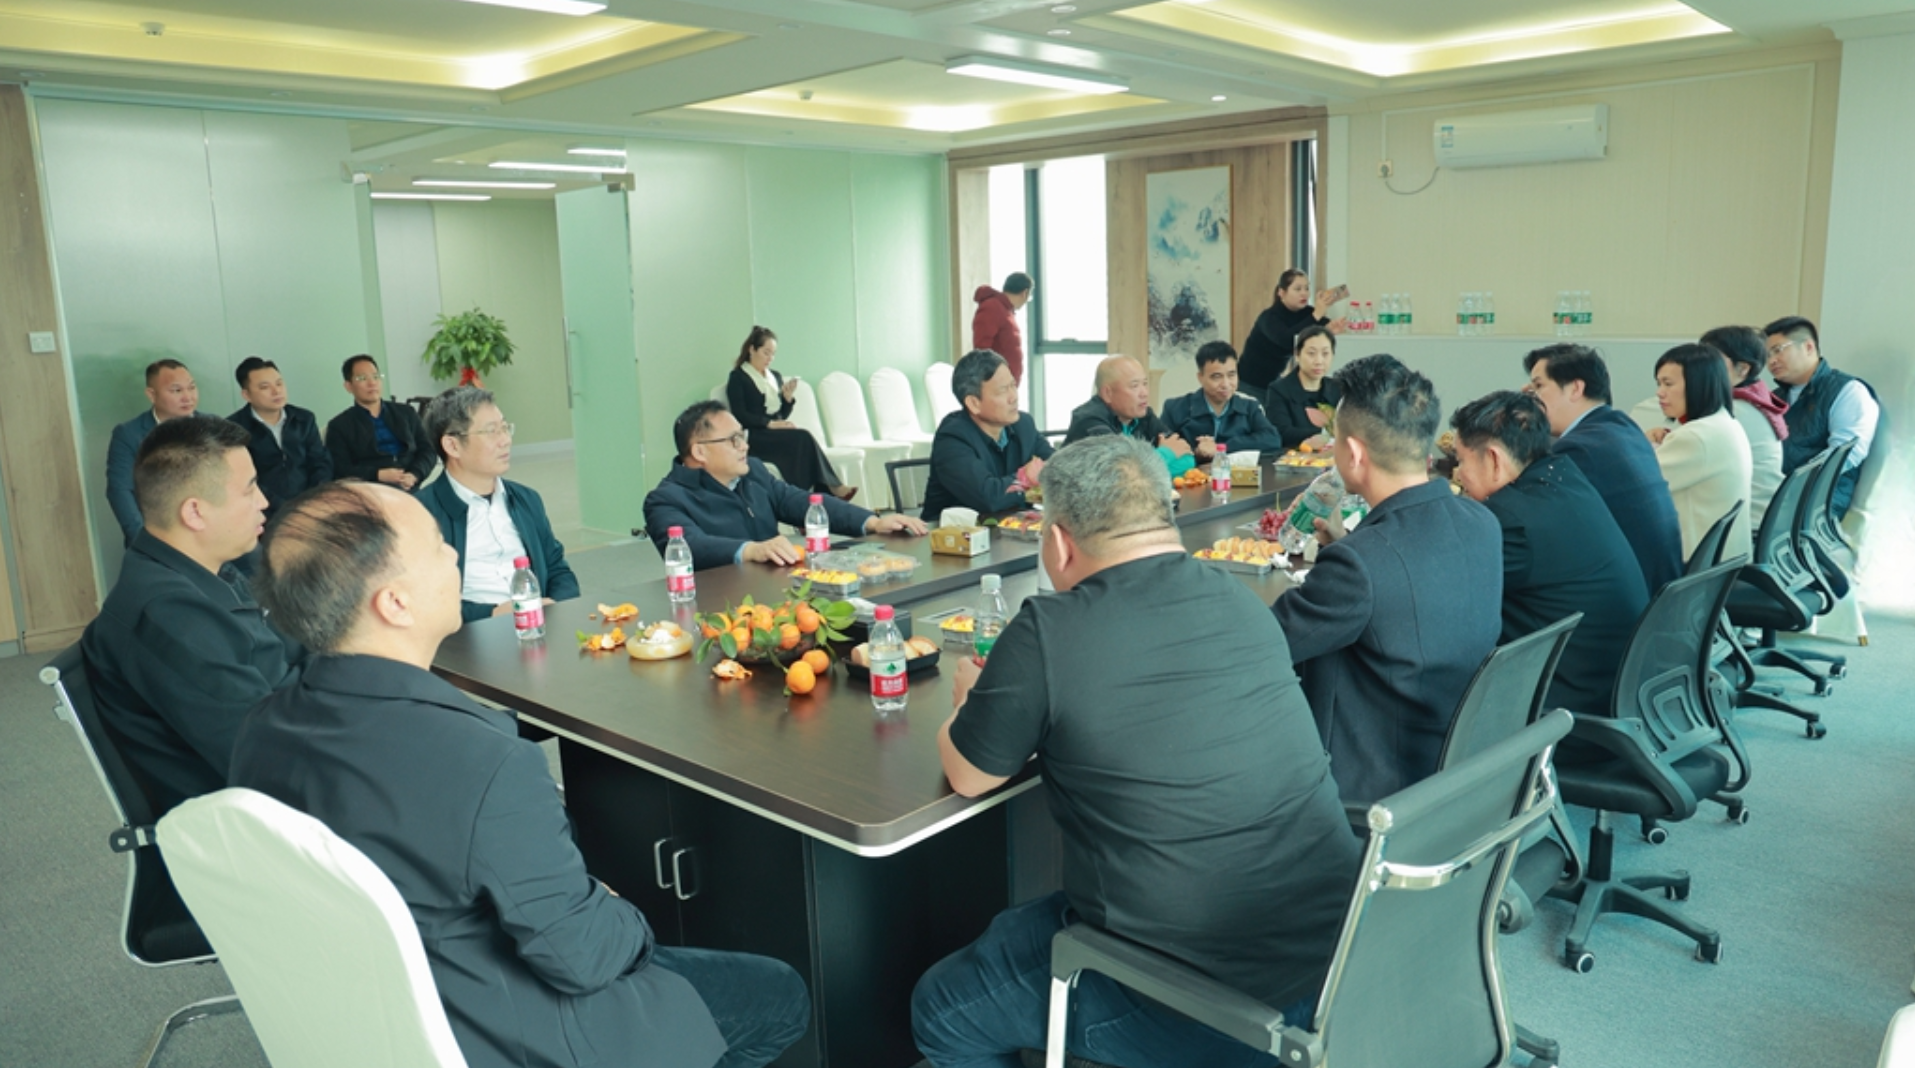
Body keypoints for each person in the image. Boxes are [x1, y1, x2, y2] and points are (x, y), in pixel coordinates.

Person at [230, 480, 811, 1068]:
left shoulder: (262, 728)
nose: (453, 554)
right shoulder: (483, 758)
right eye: (436, 544)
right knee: (778, 992)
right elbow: (585, 958)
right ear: (395, 603)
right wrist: (616, 908)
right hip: (508, 1031)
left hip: (379, 1017)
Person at [912, 436, 1360, 1068]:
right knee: (1021, 928)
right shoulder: (1240, 598)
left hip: (1197, 998)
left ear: (1058, 542)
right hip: (1339, 961)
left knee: (942, 1008)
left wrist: (966, 702)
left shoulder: (1048, 630)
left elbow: (969, 774)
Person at [1272, 354, 1502, 805]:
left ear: (1354, 453)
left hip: (1378, 786)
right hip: (1460, 763)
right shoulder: (1481, 522)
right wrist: (1346, 544)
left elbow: (1268, 642)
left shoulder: (1359, 565)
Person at [80, 416, 300, 817]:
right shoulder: (169, 616)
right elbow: (270, 757)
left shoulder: (205, 572)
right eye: (250, 488)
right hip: (256, 821)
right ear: (195, 512)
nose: (263, 501)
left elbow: (287, 648)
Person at [1450, 391, 1648, 717]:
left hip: (1571, 705)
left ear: (1495, 460)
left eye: (1461, 461)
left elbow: (1444, 587)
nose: (1458, 474)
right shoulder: (1565, 477)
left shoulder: (1513, 520)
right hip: (1619, 682)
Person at [644, 401, 926, 570]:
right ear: (700, 451)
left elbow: (800, 502)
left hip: (779, 593)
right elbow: (691, 546)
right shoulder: (666, 500)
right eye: (733, 440)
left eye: (742, 436)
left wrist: (873, 522)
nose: (744, 446)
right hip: (720, 611)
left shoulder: (753, 472)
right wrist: (752, 550)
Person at [1523, 343, 1684, 595]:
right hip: (1662, 591)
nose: (1531, 400)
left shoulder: (1578, 449)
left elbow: (1528, 521)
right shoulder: (1621, 426)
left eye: (1538, 387)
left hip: (1632, 600)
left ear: (1575, 388)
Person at [417, 386, 579, 624]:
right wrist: (492, 614)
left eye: (505, 428)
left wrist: (555, 605)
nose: (506, 440)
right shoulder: (420, 514)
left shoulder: (526, 499)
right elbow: (423, 600)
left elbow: (557, 568)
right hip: (470, 636)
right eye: (492, 431)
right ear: (452, 446)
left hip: (540, 625)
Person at [1764, 315, 1879, 518]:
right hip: (1774, 499)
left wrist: (1791, 488)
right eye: (1767, 355)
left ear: (1808, 347)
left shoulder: (1847, 390)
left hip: (1817, 506)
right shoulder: (1775, 397)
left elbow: (1845, 454)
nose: (1771, 361)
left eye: (1778, 350)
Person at [724, 325, 856, 501]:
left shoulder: (774, 377)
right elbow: (740, 415)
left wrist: (787, 399)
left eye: (773, 354)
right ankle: (827, 488)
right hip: (754, 436)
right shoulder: (738, 377)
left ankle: (809, 495)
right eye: (766, 352)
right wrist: (770, 424)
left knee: (800, 441)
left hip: (773, 433)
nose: (770, 358)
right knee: (802, 437)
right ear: (752, 349)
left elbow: (780, 415)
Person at [919, 349, 1054, 520]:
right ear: (974, 403)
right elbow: (989, 497)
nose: (1013, 397)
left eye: (1013, 385)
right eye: (1002, 390)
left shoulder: (1023, 425)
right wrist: (1026, 479)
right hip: (955, 532)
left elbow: (1059, 468)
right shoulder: (952, 438)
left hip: (1012, 527)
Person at [1650, 343, 1753, 564]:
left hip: (1696, 567)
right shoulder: (1724, 423)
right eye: (1659, 384)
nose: (1660, 392)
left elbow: (1639, 485)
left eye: (1668, 384)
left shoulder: (1695, 436)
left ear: (1698, 384)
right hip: (1725, 561)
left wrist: (1637, 445)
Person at [1700, 325, 1787, 531]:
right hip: (1765, 517)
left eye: (1711, 361)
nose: (1700, 369)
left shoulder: (1734, 413)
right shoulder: (1754, 400)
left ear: (1742, 369)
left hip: (1744, 524)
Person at [106, 358, 200, 542]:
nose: (188, 397)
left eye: (192, 388)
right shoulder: (129, 434)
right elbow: (120, 490)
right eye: (176, 390)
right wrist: (144, 540)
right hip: (160, 536)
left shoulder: (214, 426)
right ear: (151, 394)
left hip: (212, 534)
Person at [228, 356, 331, 516]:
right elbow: (243, 479)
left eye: (279, 383)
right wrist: (284, 508)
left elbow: (320, 462)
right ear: (246, 395)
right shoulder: (234, 428)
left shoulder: (304, 418)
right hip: (264, 511)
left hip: (311, 505)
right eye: (265, 387)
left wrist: (313, 498)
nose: (276, 391)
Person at [1062, 356, 1196, 477]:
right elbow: (1120, 473)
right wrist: (1167, 453)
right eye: (1134, 386)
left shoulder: (1144, 415)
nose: (1144, 393)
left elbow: (1187, 458)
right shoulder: (1090, 420)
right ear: (1107, 393)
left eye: (1145, 383)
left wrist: (1145, 469)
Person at [1159, 340, 1286, 459]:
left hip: (1237, 473)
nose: (1226, 384)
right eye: (1216, 377)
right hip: (1192, 473)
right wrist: (1197, 451)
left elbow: (1272, 439)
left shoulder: (1249, 406)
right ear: (1200, 377)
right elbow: (1163, 448)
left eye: (1231, 375)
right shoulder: (1175, 408)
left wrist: (1221, 447)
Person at [325, 354, 436, 491]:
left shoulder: (406, 413)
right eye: (362, 378)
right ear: (349, 386)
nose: (372, 383)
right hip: (371, 489)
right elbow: (340, 468)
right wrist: (377, 474)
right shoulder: (339, 425)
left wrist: (415, 474)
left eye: (375, 376)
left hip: (410, 482)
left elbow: (428, 450)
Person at [1237, 269, 1344, 397]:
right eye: (1298, 289)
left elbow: (1318, 328)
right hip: (1248, 383)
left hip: (1273, 381)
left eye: (1306, 288)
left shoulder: (1307, 313)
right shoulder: (1269, 317)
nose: (1304, 293)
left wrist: (1330, 328)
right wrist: (1317, 314)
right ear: (1281, 292)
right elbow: (1288, 340)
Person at [1263, 325, 1343, 450]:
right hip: (1294, 456)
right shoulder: (1279, 390)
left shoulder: (1338, 388)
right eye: (1311, 353)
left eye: (1325, 354)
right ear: (1297, 354)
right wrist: (1325, 433)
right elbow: (1281, 432)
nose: (1319, 361)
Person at [970, 272, 1032, 383]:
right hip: (996, 384)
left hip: (1005, 384)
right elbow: (982, 349)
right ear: (1025, 293)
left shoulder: (1005, 310)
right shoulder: (992, 307)